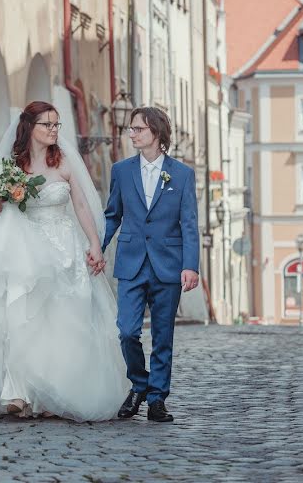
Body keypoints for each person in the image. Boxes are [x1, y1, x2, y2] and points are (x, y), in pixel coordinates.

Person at [0, 101, 128, 421]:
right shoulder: (11, 165)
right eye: (47, 125)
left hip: (64, 249)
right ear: (30, 128)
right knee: (20, 317)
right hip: (23, 250)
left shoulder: (64, 162)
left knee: (63, 321)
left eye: (56, 125)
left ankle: (57, 391)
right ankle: (18, 392)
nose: (53, 130)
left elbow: (80, 205)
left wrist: (94, 244)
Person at [100, 106, 200, 423]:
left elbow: (189, 223)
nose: (132, 134)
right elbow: (112, 215)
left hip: (168, 265)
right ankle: (139, 385)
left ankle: (157, 399)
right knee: (126, 331)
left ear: (156, 133)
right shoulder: (121, 171)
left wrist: (191, 265)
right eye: (131, 129)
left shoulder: (182, 175)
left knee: (162, 336)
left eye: (138, 129)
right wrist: (97, 248)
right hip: (131, 263)